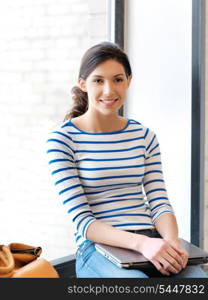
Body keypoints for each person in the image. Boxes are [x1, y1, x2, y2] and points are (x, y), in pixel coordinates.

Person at [46, 41, 207, 278]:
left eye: (118, 79)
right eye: (98, 80)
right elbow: (83, 221)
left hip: (152, 242)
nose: (109, 90)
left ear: (128, 81)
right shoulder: (62, 140)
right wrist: (142, 244)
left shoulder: (144, 136)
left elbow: (159, 202)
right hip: (97, 251)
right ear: (82, 84)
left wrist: (171, 243)